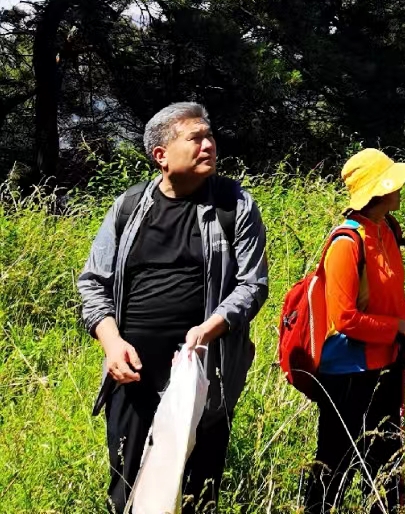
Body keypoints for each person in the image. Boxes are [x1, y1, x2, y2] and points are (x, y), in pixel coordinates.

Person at [77, 102, 269, 514]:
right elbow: (93, 281)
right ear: (161, 155)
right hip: (132, 374)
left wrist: (208, 329)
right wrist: (111, 344)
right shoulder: (129, 207)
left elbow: (252, 285)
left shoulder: (234, 205)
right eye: (195, 138)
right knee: (128, 489)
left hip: (201, 371)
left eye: (210, 136)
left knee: (199, 489)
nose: (208, 145)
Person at [303, 148, 405, 514]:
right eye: (393, 182)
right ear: (379, 190)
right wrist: (397, 329)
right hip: (348, 373)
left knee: (386, 460)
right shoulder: (346, 242)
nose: (400, 188)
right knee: (334, 462)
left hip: (387, 364)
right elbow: (345, 319)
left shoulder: (387, 230)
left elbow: (397, 299)